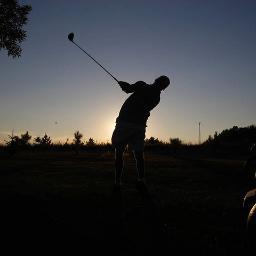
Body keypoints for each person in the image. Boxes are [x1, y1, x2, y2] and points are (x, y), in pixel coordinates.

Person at [111, 75, 170, 190]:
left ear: (156, 79)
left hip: (125, 122)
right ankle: (141, 179)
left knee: (119, 153)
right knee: (138, 154)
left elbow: (127, 89)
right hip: (140, 126)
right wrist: (126, 86)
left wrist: (123, 85)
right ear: (163, 88)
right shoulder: (157, 98)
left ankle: (117, 182)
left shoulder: (141, 85)